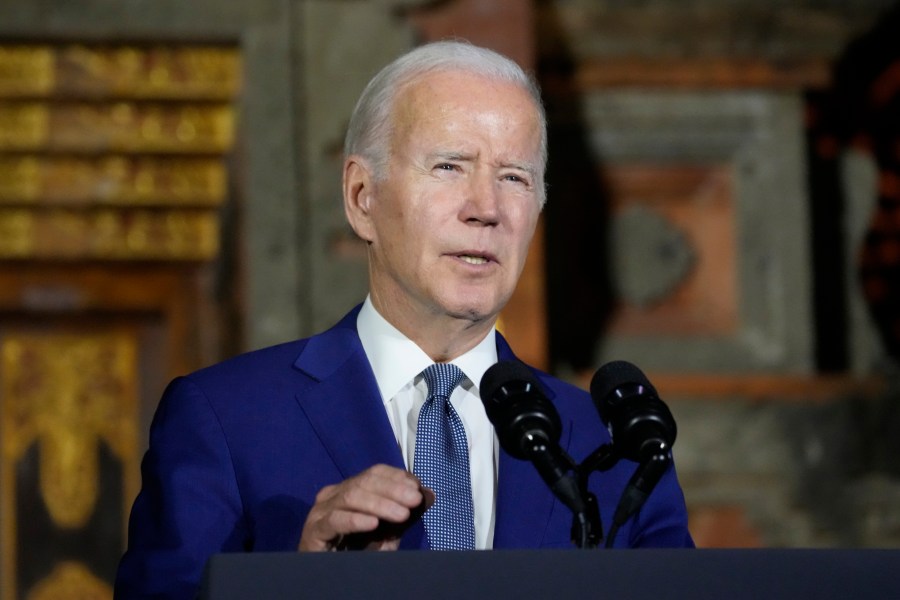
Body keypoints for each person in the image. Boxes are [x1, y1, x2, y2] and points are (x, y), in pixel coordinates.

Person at [115, 40, 693, 598]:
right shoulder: (225, 420)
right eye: (449, 166)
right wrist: (298, 585)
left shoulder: (614, 448)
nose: (486, 209)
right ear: (362, 197)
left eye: (514, 177)